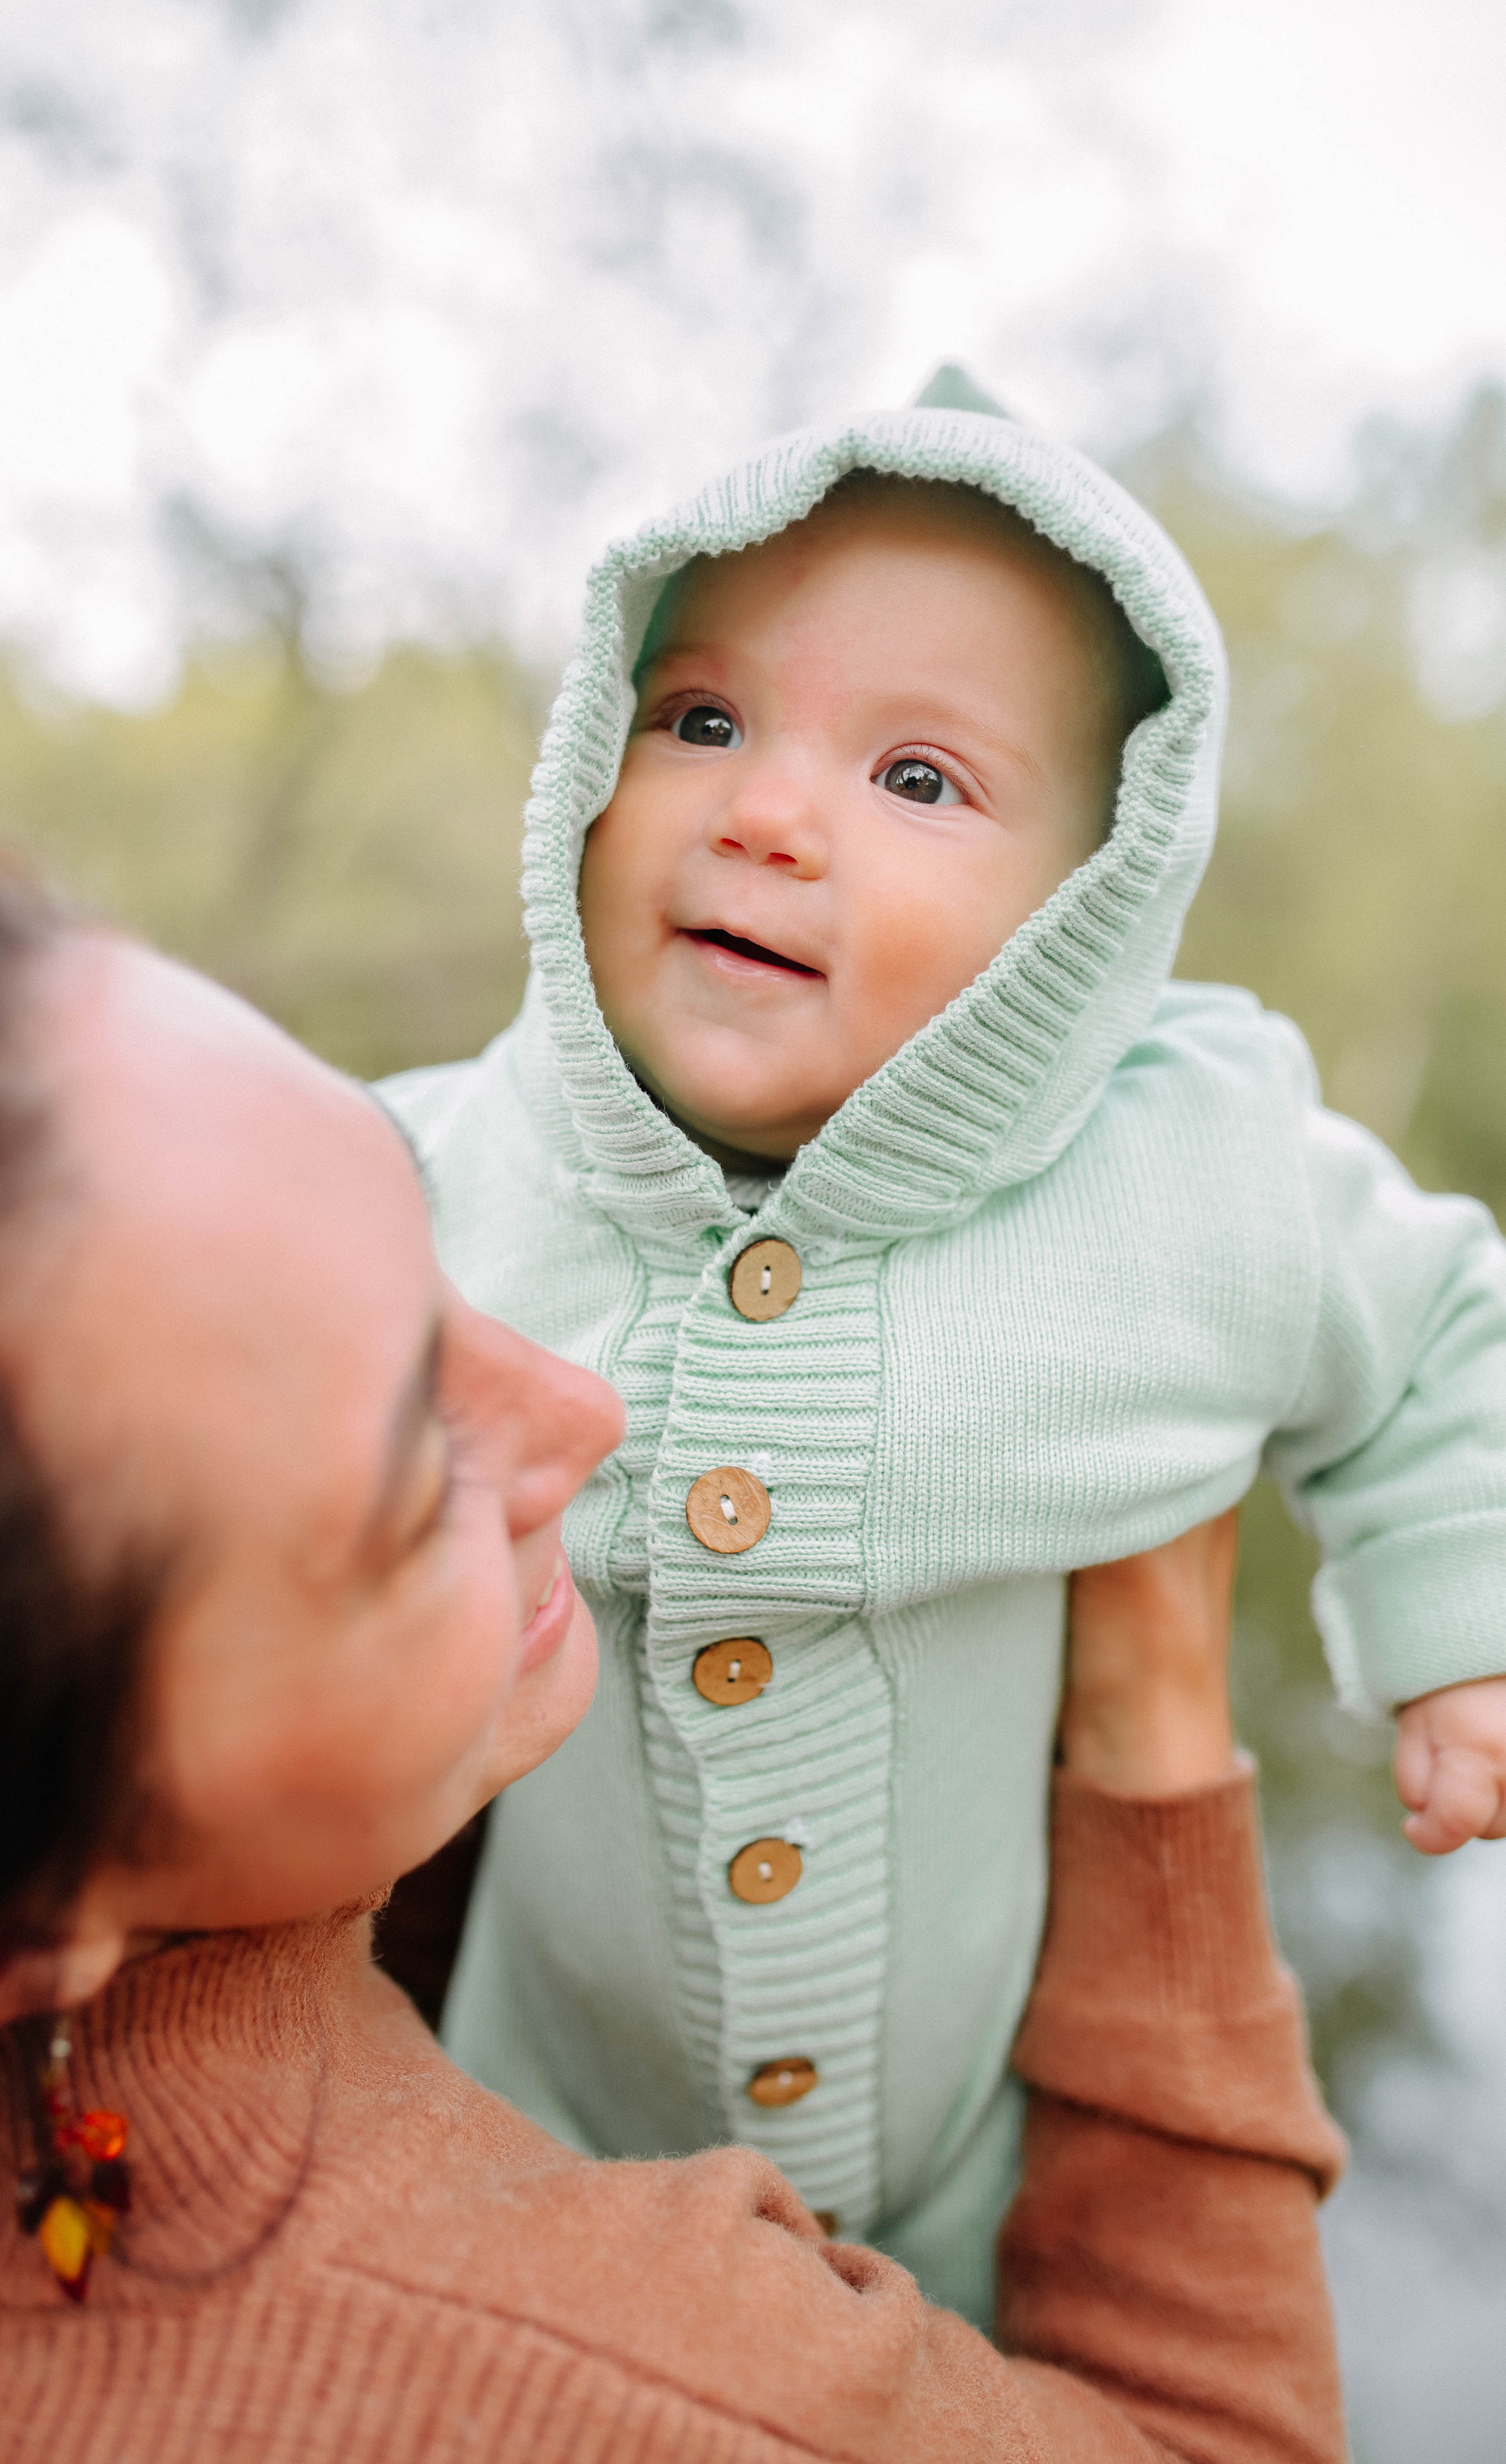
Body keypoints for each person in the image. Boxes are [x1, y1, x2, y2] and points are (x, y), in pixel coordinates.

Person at [0, 827, 1347, 2464]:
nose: (584, 1410)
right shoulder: (621, 2395)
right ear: (0, 1945)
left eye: (434, 1243)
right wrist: (1152, 1724)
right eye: (415, 1494)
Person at [379, 372, 1506, 2315]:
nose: (762, 814)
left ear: (1086, 916)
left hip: (981, 2166)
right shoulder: (443, 1164)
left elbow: (1437, 1331)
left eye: (919, 779)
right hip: (518, 2115)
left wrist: (1460, 1625)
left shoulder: (1192, 1163)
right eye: (700, 719)